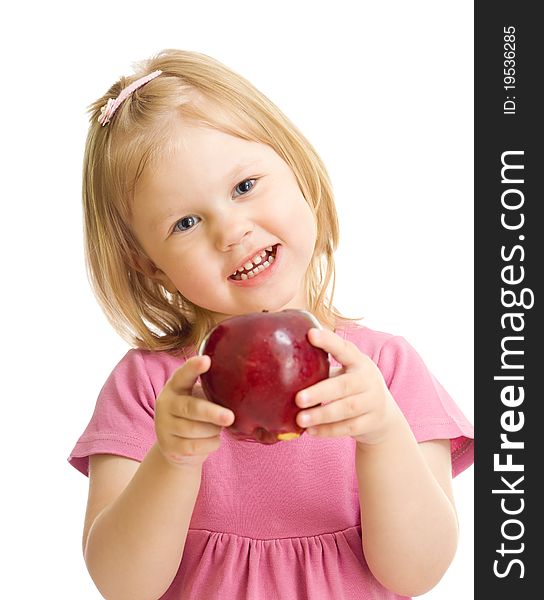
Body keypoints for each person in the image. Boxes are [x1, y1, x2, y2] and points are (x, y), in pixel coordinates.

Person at [68, 49, 474, 600]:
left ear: (298, 172)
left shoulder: (384, 372)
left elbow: (417, 572)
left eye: (244, 187)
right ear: (148, 262)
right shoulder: (152, 389)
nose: (231, 230)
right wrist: (173, 458)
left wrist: (381, 435)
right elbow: (123, 585)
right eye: (186, 222)